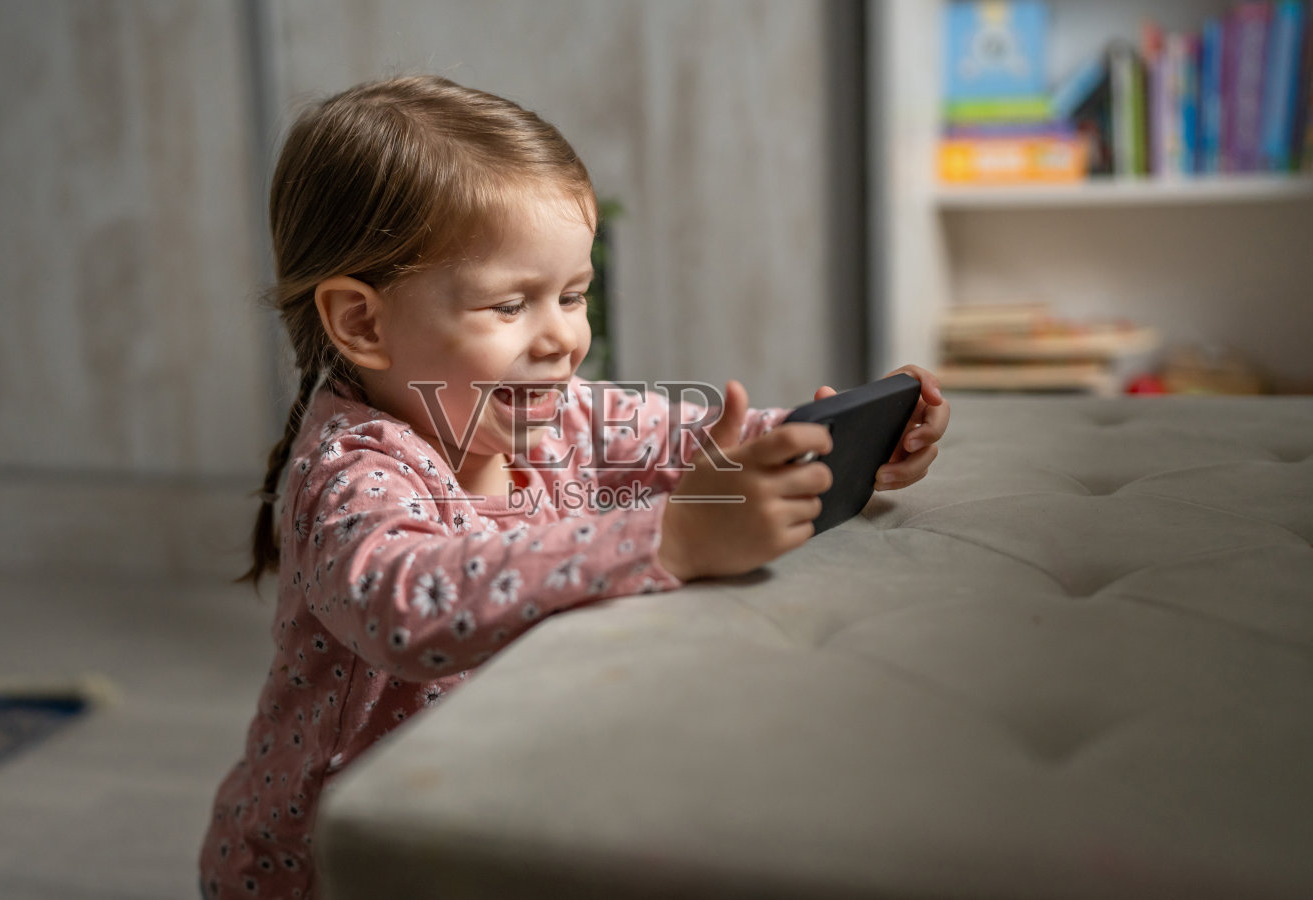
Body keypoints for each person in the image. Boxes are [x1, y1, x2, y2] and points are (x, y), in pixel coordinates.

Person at [199, 74, 948, 899]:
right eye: (510, 304)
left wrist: (838, 440)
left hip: (489, 808)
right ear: (364, 324)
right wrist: (673, 540)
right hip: (328, 867)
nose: (562, 337)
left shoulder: (555, 415)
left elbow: (698, 439)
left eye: (572, 295)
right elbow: (409, 606)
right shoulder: (349, 471)